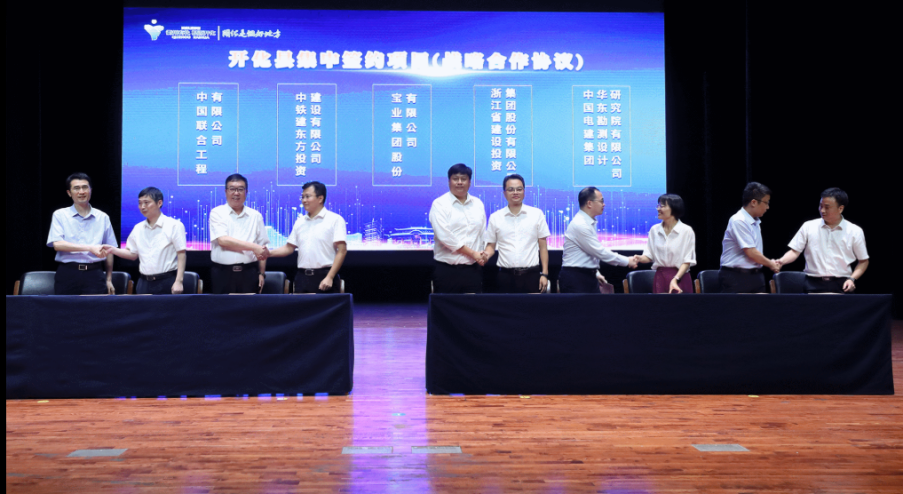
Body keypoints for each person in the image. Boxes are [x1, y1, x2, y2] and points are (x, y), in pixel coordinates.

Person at [774, 187, 868, 293]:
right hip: (812, 283)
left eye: (827, 207)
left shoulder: (855, 231)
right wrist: (781, 261)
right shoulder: (808, 226)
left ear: (840, 208)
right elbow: (794, 251)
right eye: (820, 206)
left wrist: (852, 279)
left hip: (842, 284)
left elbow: (863, 261)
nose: (822, 210)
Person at [104, 187, 187, 295]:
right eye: (140, 203)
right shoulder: (138, 228)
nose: (142, 206)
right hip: (143, 282)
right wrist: (112, 250)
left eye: (146, 203)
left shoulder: (174, 225)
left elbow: (181, 254)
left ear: (159, 203)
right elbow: (132, 254)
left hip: (166, 280)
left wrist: (179, 281)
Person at [268, 181, 347, 293]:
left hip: (325, 276)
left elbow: (342, 251)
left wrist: (330, 277)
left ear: (320, 198)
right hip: (302, 277)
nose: (304, 200)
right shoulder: (300, 222)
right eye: (302, 197)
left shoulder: (335, 220)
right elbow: (289, 248)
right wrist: (268, 253)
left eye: (307, 196)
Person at [46, 172, 118, 295]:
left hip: (95, 274)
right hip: (68, 273)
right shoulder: (60, 215)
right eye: (76, 188)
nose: (81, 192)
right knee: (64, 307)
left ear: (91, 190)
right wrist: (90, 248)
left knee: (96, 307)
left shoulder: (103, 217)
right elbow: (57, 245)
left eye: (85, 187)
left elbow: (110, 249)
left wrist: (109, 279)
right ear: (69, 193)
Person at [482, 174, 551, 293]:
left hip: (531, 275)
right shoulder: (495, 217)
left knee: (532, 305)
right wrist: (485, 255)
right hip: (505, 276)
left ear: (524, 192)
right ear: (504, 193)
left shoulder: (536, 214)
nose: (515, 192)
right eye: (511, 189)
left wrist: (544, 274)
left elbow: (543, 247)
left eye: (519, 189)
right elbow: (491, 246)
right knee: (505, 305)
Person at [560, 187, 637, 293]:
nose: (604, 204)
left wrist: (595, 273)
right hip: (576, 278)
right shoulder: (580, 224)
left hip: (586, 276)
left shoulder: (589, 222)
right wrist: (627, 261)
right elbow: (599, 252)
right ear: (589, 203)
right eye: (601, 201)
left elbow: (588, 253)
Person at [429, 164, 487, 293]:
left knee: (473, 305)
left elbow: (481, 234)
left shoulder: (478, 204)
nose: (459, 182)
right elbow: (445, 236)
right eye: (455, 179)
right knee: (445, 306)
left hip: (472, 271)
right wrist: (473, 253)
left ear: (469, 182)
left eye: (463, 179)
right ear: (449, 181)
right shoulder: (439, 204)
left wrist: (482, 254)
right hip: (446, 271)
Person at [209, 174, 269, 294]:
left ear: (246, 192)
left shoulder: (255, 216)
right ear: (226, 191)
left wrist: (262, 273)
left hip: (249, 273)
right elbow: (223, 241)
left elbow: (262, 248)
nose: (236, 193)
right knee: (220, 305)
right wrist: (254, 247)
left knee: (249, 306)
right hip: (222, 273)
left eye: (240, 189)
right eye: (232, 189)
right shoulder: (217, 213)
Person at [718, 182, 779, 293]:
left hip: (756, 276)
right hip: (736, 277)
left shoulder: (755, 221)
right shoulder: (739, 220)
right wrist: (771, 264)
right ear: (754, 202)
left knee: (761, 305)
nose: (768, 207)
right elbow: (751, 252)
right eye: (766, 203)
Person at [631, 194, 697, 293]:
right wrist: (639, 258)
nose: (658, 209)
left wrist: (676, 279)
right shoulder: (654, 230)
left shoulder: (686, 231)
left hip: (680, 277)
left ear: (674, 208)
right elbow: (649, 256)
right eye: (658, 206)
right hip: (660, 277)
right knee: (659, 303)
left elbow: (687, 261)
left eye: (662, 206)